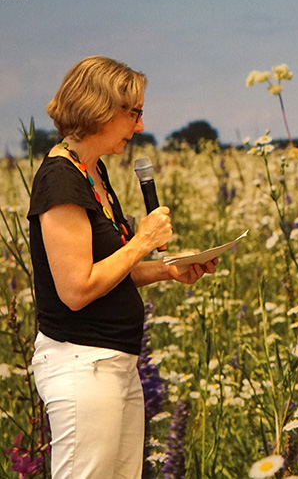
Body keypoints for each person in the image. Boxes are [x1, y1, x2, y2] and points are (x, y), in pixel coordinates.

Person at [28, 55, 218, 479]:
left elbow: (109, 271)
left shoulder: (91, 172)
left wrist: (167, 269)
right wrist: (144, 241)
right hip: (82, 364)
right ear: (99, 109)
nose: (140, 126)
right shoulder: (61, 180)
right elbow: (77, 289)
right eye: (133, 113)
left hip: (115, 362)